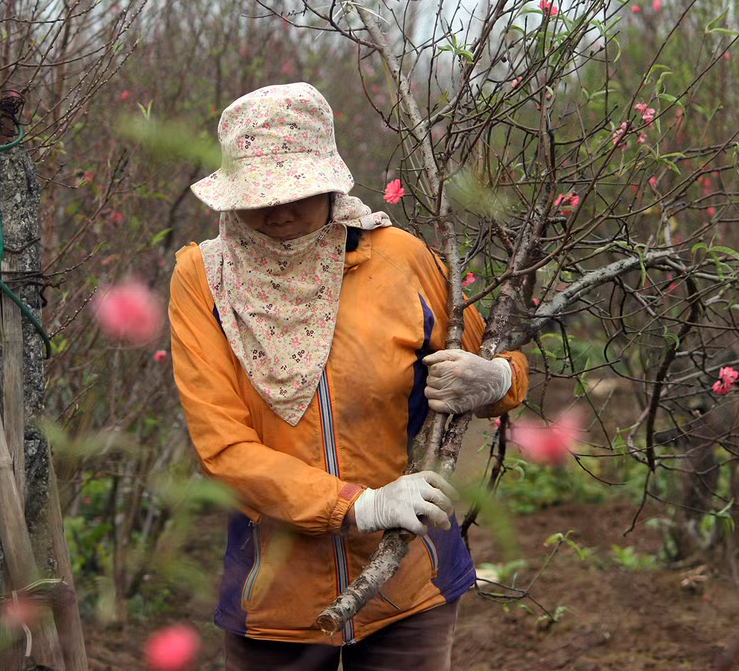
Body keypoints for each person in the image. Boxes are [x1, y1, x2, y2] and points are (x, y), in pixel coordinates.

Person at [168, 82, 528, 670]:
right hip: (276, 597)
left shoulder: (403, 259)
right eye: (261, 196)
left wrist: (492, 380)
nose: (280, 211)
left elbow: (502, 364)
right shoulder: (204, 280)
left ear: (331, 183)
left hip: (409, 577)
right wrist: (356, 505)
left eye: (299, 192)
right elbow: (223, 447)